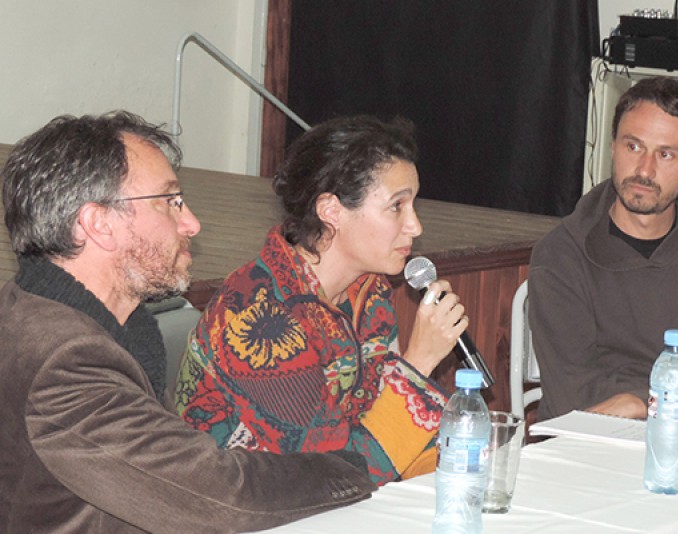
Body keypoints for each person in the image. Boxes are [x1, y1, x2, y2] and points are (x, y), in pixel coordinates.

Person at [0, 112, 376, 533]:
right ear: (99, 224)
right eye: (170, 201)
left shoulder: (49, 314)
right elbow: (221, 496)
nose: (191, 223)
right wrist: (347, 470)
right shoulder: (63, 363)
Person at [174, 115, 468, 485]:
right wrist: (419, 363)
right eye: (397, 206)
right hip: (239, 505)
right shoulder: (258, 318)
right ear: (331, 211)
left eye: (413, 205)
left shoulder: (370, 292)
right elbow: (336, 474)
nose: (415, 226)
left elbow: (374, 431)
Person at [528, 77, 678, 421]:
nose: (645, 170)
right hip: (592, 440)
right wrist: (669, 401)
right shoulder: (561, 255)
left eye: (666, 154)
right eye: (633, 147)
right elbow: (574, 394)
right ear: (613, 146)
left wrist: (641, 404)